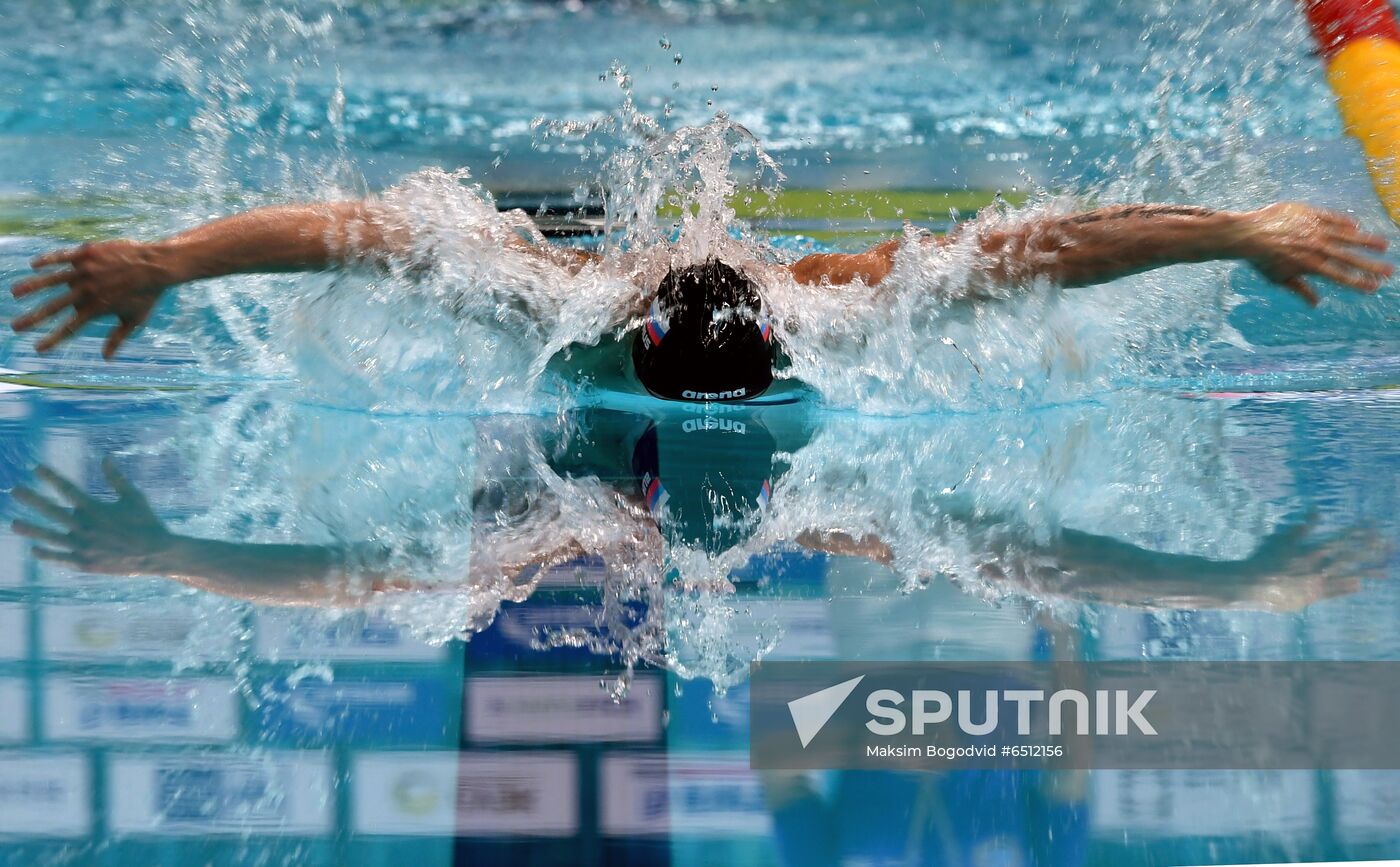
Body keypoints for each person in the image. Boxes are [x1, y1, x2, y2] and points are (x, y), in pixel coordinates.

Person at [8, 196, 1393, 402]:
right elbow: (371, 231)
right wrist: (173, 260)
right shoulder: (549, 299)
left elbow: (1035, 247)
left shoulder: (832, 311)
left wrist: (1234, 230)